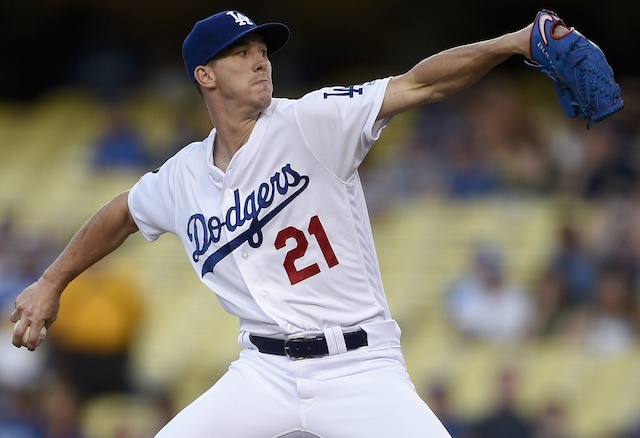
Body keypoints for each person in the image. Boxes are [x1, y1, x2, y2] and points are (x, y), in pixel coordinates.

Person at [11, 9, 569, 438]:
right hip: (263, 372)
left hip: (358, 367)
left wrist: (516, 41)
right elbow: (121, 213)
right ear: (204, 75)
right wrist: (52, 281)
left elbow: (422, 84)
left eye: (262, 50)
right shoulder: (182, 175)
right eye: (241, 53)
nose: (260, 60)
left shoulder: (311, 121)